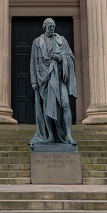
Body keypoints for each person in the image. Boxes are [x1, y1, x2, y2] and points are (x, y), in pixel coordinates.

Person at [29, 18, 76, 147]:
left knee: (66, 104)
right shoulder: (37, 42)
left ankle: (69, 135)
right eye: (49, 26)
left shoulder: (61, 41)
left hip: (59, 79)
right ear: (44, 27)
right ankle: (49, 135)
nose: (52, 28)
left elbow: (70, 57)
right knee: (47, 108)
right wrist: (34, 81)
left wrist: (61, 58)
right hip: (43, 80)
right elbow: (33, 62)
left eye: (53, 26)